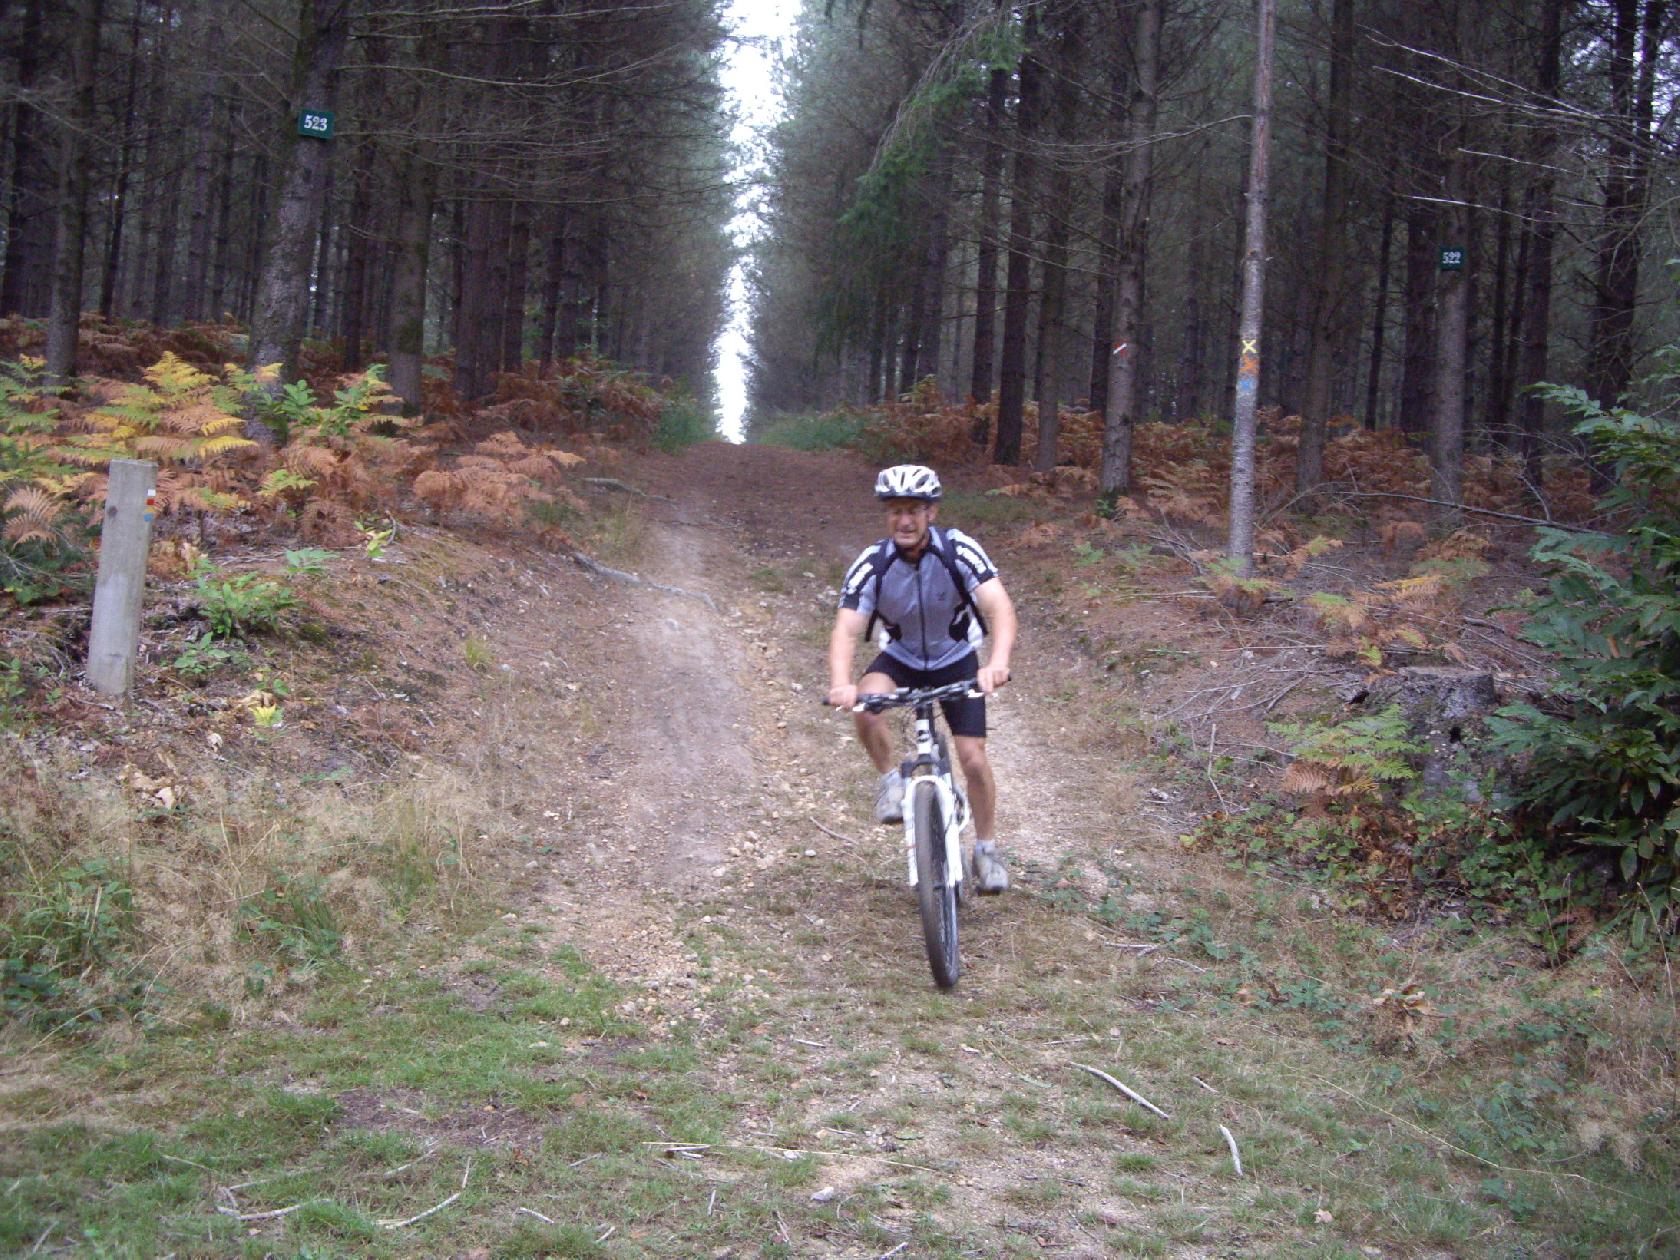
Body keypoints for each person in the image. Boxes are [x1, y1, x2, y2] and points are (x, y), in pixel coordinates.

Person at [827, 464, 1019, 893]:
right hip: (901, 658)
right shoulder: (872, 563)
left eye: (913, 510)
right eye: (895, 511)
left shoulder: (959, 550)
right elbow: (847, 629)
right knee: (865, 706)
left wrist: (996, 662)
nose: (905, 520)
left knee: (972, 758)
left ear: (931, 513)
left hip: (955, 658)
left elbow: (999, 607)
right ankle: (890, 781)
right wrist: (841, 681)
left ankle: (986, 849)